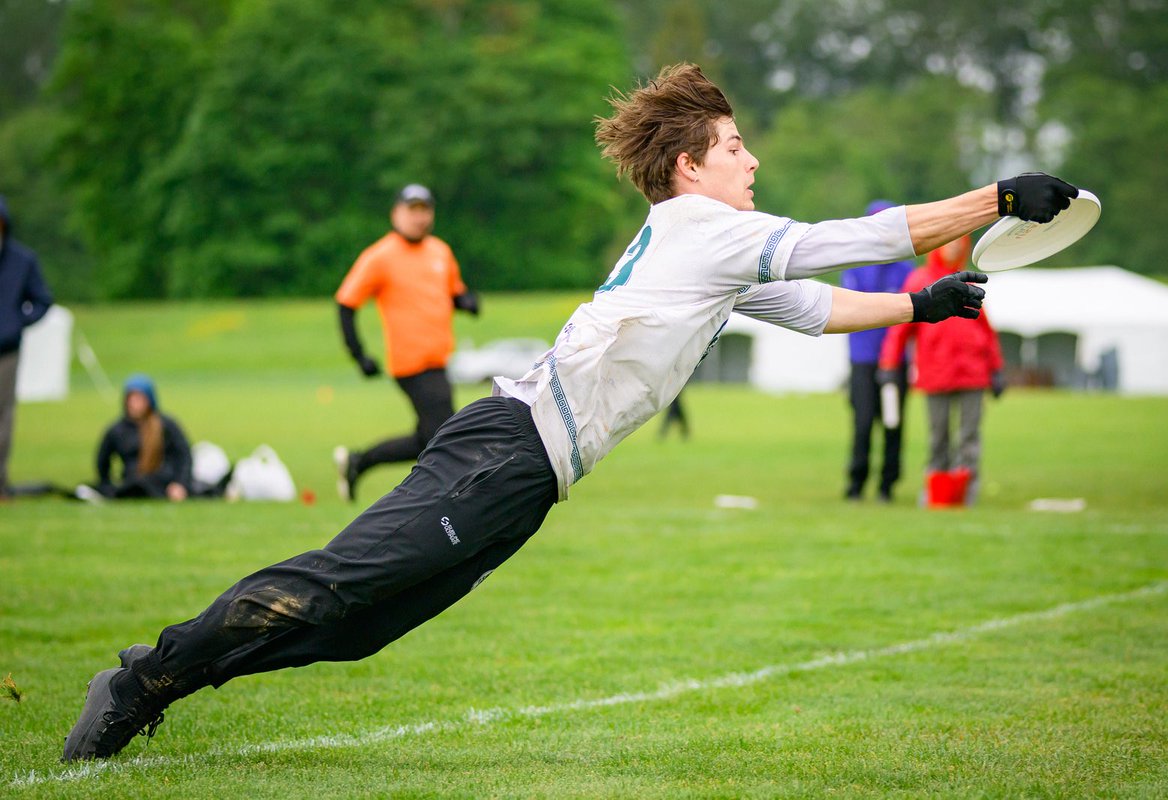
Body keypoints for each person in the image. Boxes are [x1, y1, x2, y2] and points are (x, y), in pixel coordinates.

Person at [62, 63, 1077, 762]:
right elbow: (841, 241)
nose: (751, 162)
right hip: (503, 451)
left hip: (525, 475)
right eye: (735, 147)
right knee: (334, 585)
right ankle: (145, 680)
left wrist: (918, 307)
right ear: (690, 167)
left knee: (358, 628)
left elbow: (812, 307)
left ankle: (160, 679)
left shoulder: (708, 249)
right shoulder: (700, 225)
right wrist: (993, 197)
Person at [333, 184, 480, 501]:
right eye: (412, 210)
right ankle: (439, 500)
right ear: (395, 214)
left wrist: (466, 302)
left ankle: (359, 462)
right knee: (447, 436)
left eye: (425, 210)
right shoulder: (380, 256)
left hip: (439, 360)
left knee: (429, 437)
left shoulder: (440, 251)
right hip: (411, 364)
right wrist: (358, 354)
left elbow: (454, 292)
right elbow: (346, 303)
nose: (419, 217)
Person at [877, 235, 1006, 506]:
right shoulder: (919, 280)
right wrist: (889, 363)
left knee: (969, 436)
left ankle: (966, 493)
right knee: (939, 437)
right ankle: (936, 489)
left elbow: (985, 330)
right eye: (950, 242)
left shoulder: (968, 283)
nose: (955, 247)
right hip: (935, 371)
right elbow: (901, 327)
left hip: (972, 372)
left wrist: (996, 369)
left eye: (960, 243)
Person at [839, 200, 915, 502]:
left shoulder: (905, 270)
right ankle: (857, 481)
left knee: (893, 422)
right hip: (862, 360)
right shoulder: (855, 267)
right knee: (862, 422)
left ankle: (887, 484)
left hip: (894, 362)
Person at [0, 194, 54, 499]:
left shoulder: (22, 260)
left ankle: (0, 481)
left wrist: (16, 322)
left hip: (5, 350)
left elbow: (43, 299)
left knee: (2, 416)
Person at [75, 374, 193, 503]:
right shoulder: (117, 430)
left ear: (149, 400)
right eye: (131, 399)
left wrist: (180, 484)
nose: (134, 403)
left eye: (139, 399)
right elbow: (102, 460)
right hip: (132, 482)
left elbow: (184, 455)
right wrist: (105, 483)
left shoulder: (166, 425)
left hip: (163, 482)